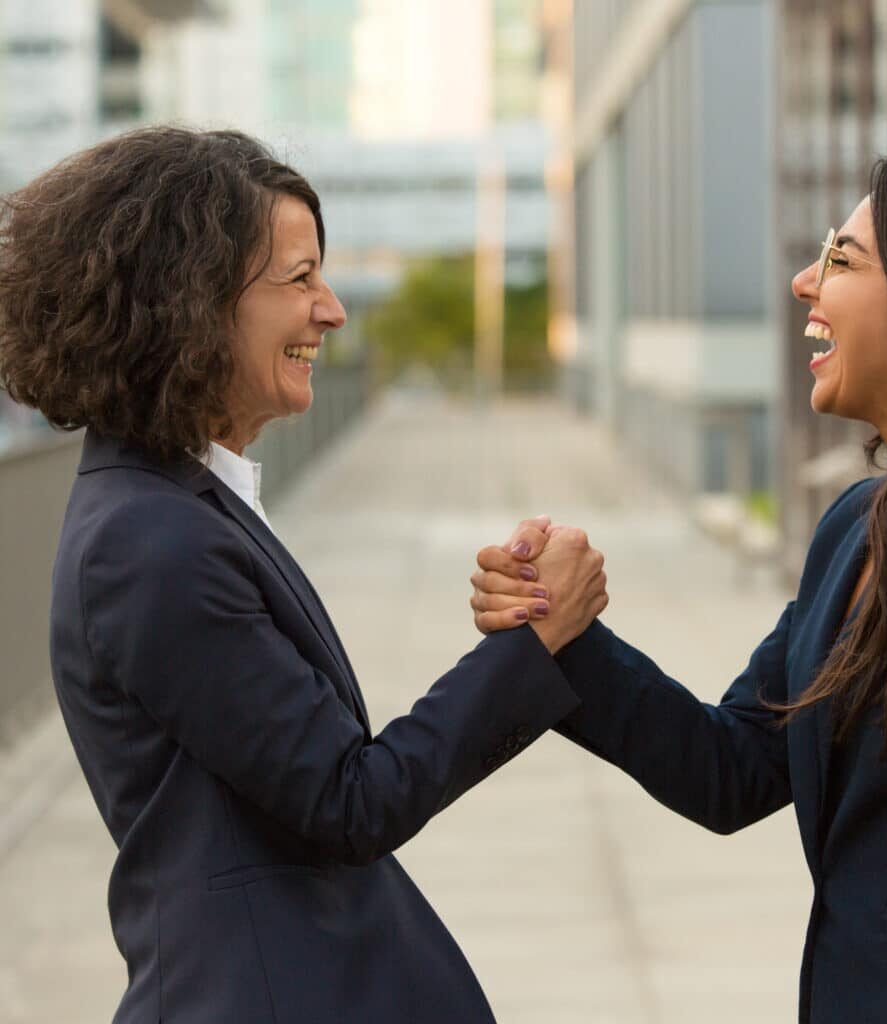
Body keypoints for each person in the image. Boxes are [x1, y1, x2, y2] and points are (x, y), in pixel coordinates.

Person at [0, 126, 608, 1023]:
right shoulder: (149, 545)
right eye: (299, 280)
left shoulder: (177, 505)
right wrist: (537, 643)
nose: (332, 309)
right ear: (189, 302)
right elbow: (347, 799)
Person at [474, 153, 887, 1023]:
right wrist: (561, 632)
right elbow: (729, 769)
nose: (805, 281)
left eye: (843, 262)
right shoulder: (854, 526)